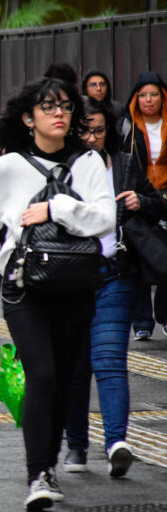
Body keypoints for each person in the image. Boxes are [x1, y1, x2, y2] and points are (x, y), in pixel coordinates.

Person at [0, 77, 115, 510]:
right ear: (28, 116)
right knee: (42, 374)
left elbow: (105, 219)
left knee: (64, 382)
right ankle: (38, 474)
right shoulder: (8, 166)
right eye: (48, 106)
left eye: (65, 107)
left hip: (76, 285)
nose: (59, 113)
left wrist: (56, 208)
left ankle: (49, 465)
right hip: (25, 288)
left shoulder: (90, 162)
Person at [62, 97, 165, 478]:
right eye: (85, 130)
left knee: (109, 361)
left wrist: (141, 201)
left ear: (111, 131)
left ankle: (117, 442)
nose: (91, 138)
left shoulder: (122, 164)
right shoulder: (62, 167)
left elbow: (157, 203)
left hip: (115, 275)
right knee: (76, 367)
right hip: (70, 279)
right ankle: (75, 444)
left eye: (99, 130)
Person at [122, 71, 167, 341]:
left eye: (154, 95)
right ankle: (142, 321)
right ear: (136, 99)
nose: (149, 100)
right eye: (143, 95)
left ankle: (165, 313)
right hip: (138, 198)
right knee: (139, 257)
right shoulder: (126, 126)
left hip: (166, 196)